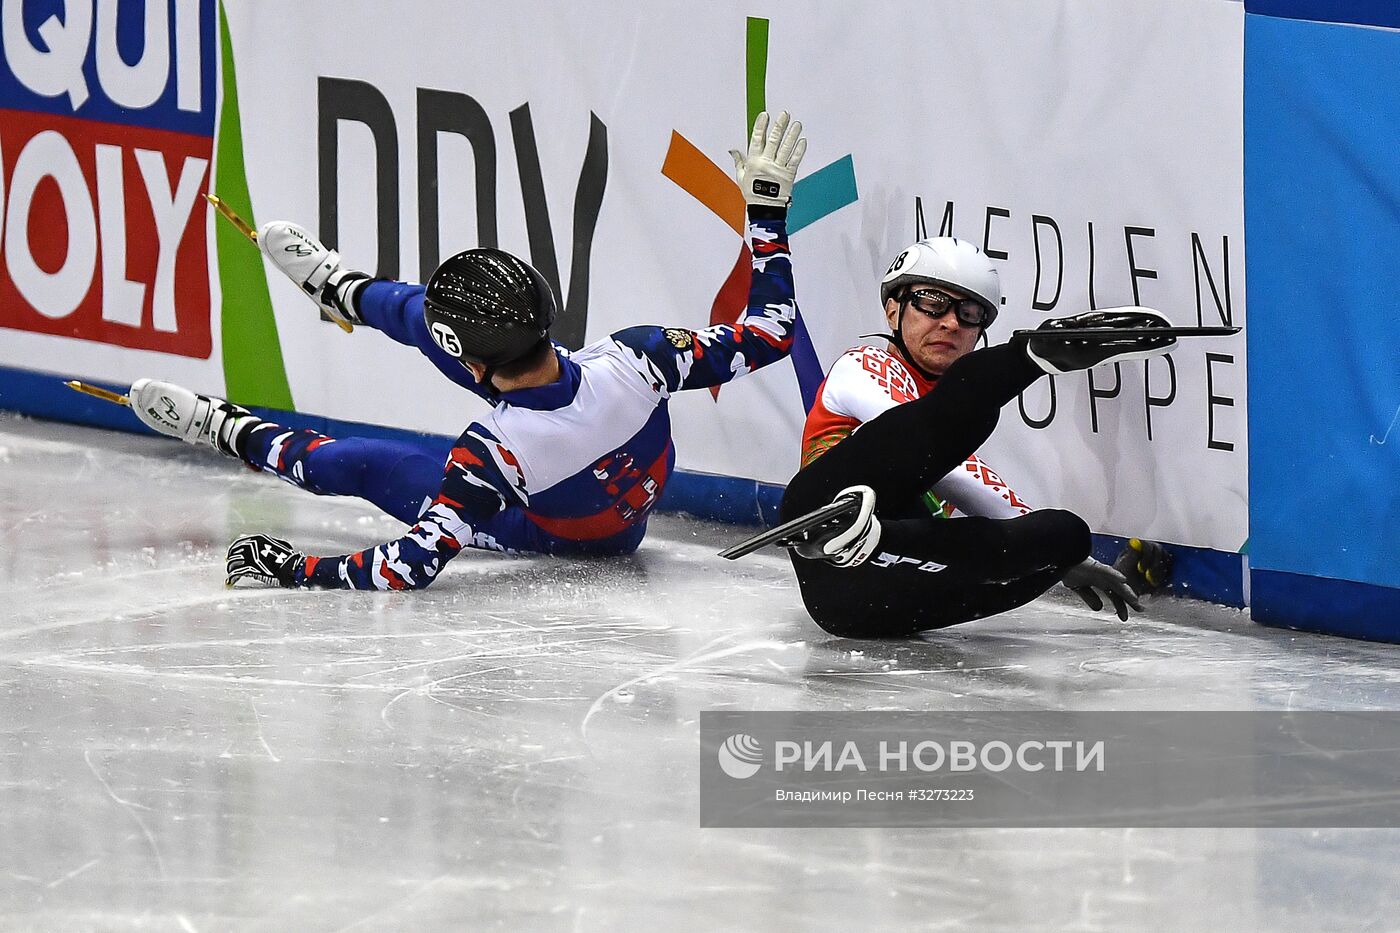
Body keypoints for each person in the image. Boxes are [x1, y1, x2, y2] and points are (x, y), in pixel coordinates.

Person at [129, 112, 808, 590]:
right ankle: (341, 291)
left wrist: (291, 569)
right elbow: (772, 331)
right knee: (443, 333)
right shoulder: (639, 357)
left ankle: (227, 428)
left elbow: (408, 566)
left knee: (359, 462)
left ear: (473, 370)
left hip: (550, 528)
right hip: (582, 452)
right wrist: (768, 215)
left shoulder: (494, 451)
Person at [777, 236, 1176, 638]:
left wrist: (1062, 557)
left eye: (968, 313)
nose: (950, 322)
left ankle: (876, 538)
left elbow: (977, 483)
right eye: (932, 302)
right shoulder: (863, 365)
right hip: (821, 541)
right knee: (966, 415)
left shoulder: (961, 400)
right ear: (893, 310)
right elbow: (941, 450)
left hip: (889, 589)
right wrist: (1021, 364)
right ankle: (1029, 357)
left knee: (1065, 533)